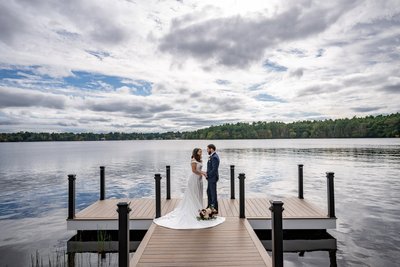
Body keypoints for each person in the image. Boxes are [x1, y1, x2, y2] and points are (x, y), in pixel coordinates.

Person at [153, 148, 225, 229]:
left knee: (199, 194)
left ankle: (199, 210)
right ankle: (194, 210)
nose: (201, 152)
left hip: (199, 180)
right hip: (194, 179)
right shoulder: (193, 160)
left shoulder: (200, 160)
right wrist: (203, 173)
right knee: (193, 194)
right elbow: (194, 170)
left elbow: (200, 169)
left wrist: (203, 174)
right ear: (196, 152)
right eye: (199, 151)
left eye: (201, 151)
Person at [206, 144, 220, 213]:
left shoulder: (214, 157)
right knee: (209, 192)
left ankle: (214, 209)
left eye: (207, 149)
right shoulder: (212, 156)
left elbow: (214, 169)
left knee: (213, 193)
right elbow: (210, 167)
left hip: (212, 178)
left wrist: (207, 175)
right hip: (210, 178)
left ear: (211, 149)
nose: (207, 150)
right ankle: (209, 206)